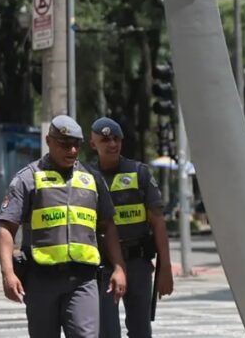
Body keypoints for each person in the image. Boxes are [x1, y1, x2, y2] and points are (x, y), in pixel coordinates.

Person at [0, 115, 128, 338]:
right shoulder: (28, 178)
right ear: (49, 141)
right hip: (41, 280)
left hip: (83, 280)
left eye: (77, 144)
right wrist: (8, 273)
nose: (73, 150)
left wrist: (119, 267)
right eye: (65, 144)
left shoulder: (92, 179)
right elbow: (6, 228)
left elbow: (107, 226)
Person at [88, 117, 174, 338]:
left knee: (141, 331)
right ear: (93, 144)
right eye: (105, 140)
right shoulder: (86, 176)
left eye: (116, 139)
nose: (112, 144)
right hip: (103, 265)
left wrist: (165, 268)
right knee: (107, 332)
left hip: (138, 263)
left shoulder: (139, 172)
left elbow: (158, 223)